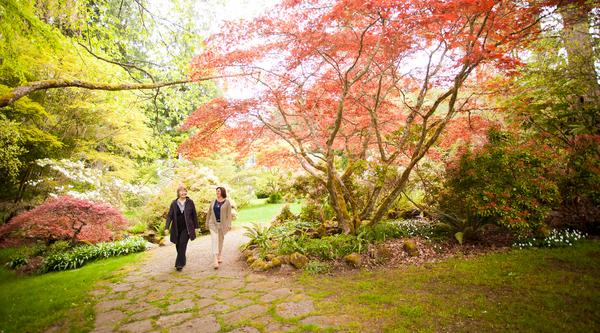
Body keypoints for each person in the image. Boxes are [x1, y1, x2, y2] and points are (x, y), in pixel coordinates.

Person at [165, 185, 199, 271]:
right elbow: (170, 216)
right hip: (176, 228)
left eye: (185, 191)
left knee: (182, 243)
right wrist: (166, 227)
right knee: (178, 245)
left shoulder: (190, 202)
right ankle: (182, 260)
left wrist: (196, 227)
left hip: (187, 228)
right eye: (181, 191)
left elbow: (194, 215)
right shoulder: (174, 203)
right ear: (178, 193)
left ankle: (179, 264)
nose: (183, 192)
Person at [205, 186, 232, 269]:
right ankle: (215, 259)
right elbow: (209, 212)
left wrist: (229, 224)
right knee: (214, 240)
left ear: (222, 192)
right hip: (213, 224)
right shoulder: (213, 201)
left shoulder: (227, 202)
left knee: (220, 240)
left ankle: (219, 255)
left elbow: (229, 215)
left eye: (219, 191)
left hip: (222, 225)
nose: (217, 193)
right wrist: (206, 222)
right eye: (216, 191)